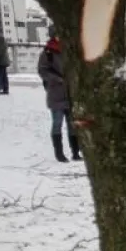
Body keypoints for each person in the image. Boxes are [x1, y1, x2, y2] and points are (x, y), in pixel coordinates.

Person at [38, 28, 80, 162]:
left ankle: (75, 152)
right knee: (57, 123)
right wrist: (56, 79)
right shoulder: (47, 52)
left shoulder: (69, 50)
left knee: (72, 124)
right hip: (56, 94)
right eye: (57, 35)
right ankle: (59, 153)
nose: (60, 37)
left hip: (70, 93)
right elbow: (42, 70)